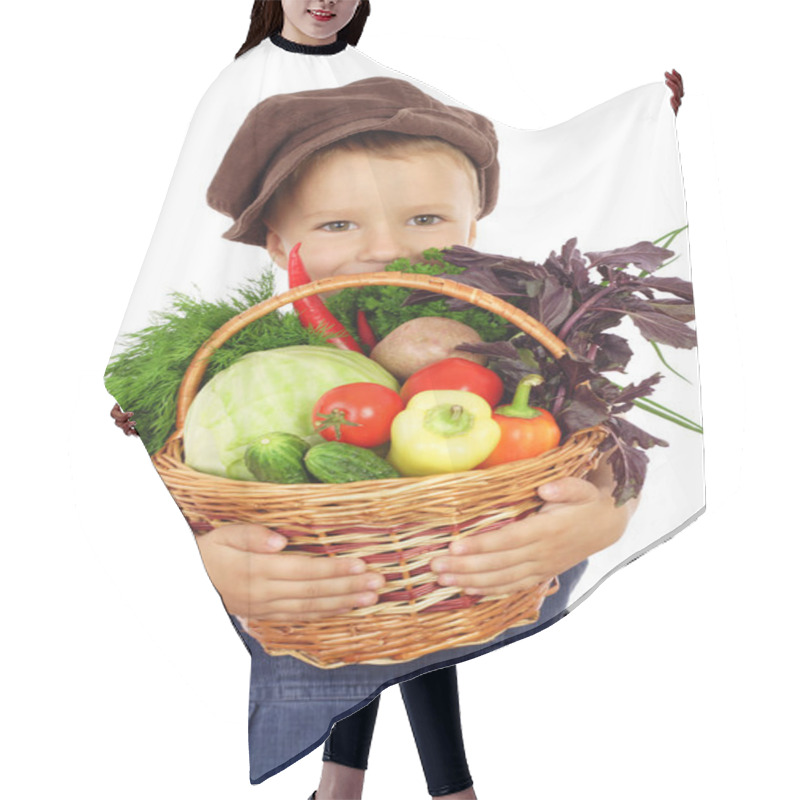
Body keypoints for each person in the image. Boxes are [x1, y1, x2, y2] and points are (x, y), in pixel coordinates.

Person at [108, 3, 680, 798]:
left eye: (424, 218)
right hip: (342, 575)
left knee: (401, 610)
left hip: (450, 564)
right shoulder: (262, 339)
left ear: (476, 222)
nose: (386, 250)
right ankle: (423, 788)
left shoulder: (490, 335)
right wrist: (205, 526)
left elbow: (592, 445)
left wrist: (603, 511)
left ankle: (362, 784)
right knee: (361, 607)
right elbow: (179, 252)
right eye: (339, 222)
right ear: (277, 244)